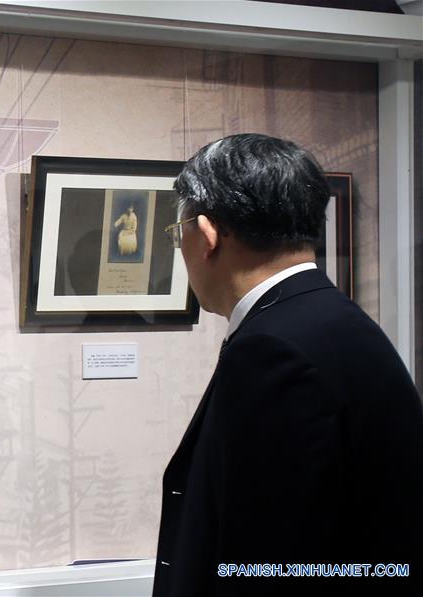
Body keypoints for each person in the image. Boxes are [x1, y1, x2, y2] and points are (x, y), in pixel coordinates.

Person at [153, 133, 423, 597]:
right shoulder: (336, 321)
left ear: (208, 235)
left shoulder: (271, 350)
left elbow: (269, 560)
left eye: (179, 233)